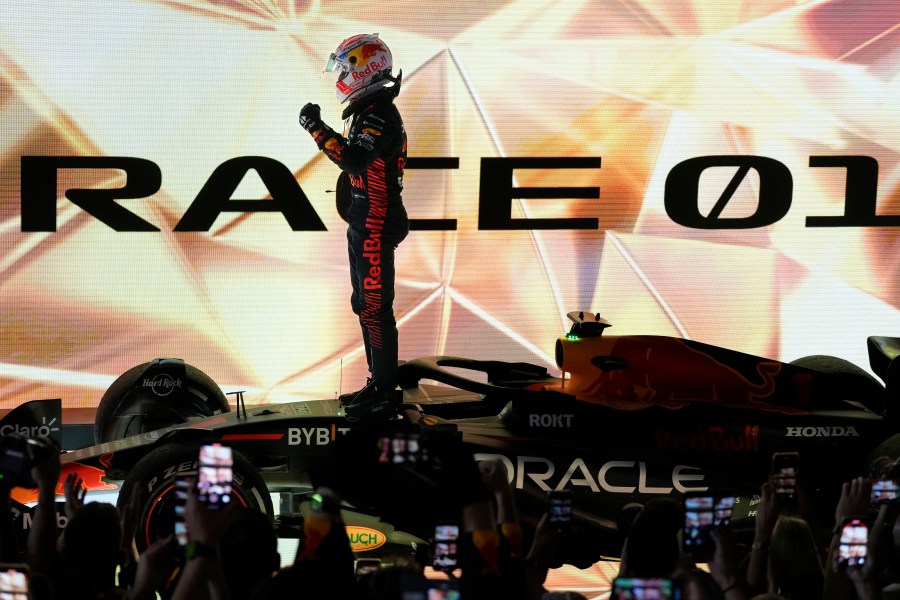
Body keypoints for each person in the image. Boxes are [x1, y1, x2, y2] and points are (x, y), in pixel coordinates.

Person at [299, 33, 408, 419]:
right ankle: (377, 383)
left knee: (376, 308)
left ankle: (384, 392)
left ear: (365, 69)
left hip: (376, 223)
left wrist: (315, 128)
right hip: (364, 221)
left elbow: (355, 160)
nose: (340, 77)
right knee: (363, 305)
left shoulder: (379, 113)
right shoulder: (368, 109)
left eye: (345, 68)